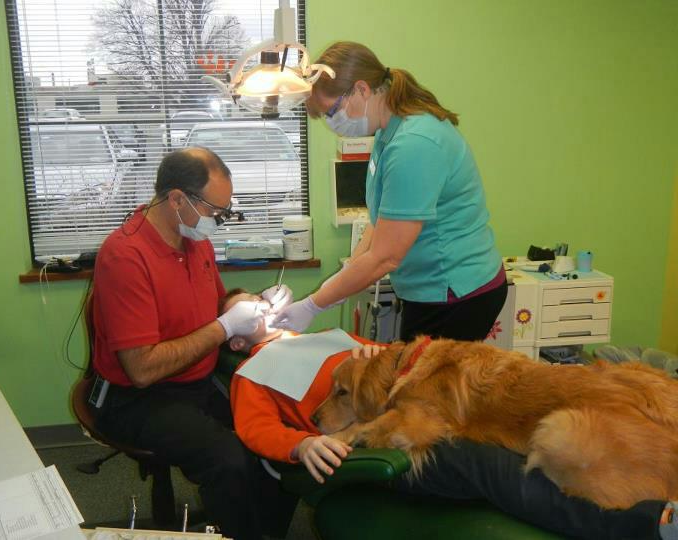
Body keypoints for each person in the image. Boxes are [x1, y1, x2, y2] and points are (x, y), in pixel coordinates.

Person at [222, 290, 678, 540]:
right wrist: (302, 444)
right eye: (245, 310)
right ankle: (643, 525)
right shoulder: (251, 372)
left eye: (262, 299)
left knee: (510, 452)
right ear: (237, 340)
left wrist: (381, 360)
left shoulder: (326, 335)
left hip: (414, 413)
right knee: (493, 468)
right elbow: (256, 430)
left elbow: (407, 367)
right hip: (369, 449)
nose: (261, 306)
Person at [89, 148, 293, 540]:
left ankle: (266, 530)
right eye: (215, 210)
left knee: (276, 430)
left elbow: (216, 305)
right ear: (178, 199)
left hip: (198, 380)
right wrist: (222, 327)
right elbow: (142, 369)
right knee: (229, 460)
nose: (218, 220)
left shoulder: (195, 239)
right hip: (138, 397)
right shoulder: (125, 256)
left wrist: (248, 304)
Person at [273, 41, 507, 343]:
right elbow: (382, 218)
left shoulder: (414, 144)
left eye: (332, 111)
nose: (332, 123)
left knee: (423, 388)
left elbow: (385, 258)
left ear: (361, 89)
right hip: (428, 287)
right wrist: (346, 276)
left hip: (455, 292)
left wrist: (314, 303)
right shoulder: (388, 132)